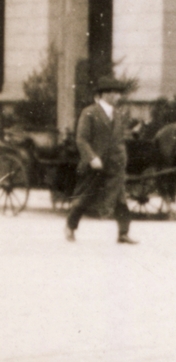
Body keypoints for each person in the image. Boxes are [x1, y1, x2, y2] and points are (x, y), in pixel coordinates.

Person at [65, 76, 137, 245]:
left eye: (118, 93)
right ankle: (70, 227)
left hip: (115, 164)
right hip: (95, 164)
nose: (118, 96)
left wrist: (122, 157)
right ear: (106, 94)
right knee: (84, 197)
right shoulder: (89, 112)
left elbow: (119, 139)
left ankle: (123, 233)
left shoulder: (118, 114)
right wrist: (92, 157)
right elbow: (81, 139)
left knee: (120, 198)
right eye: (115, 93)